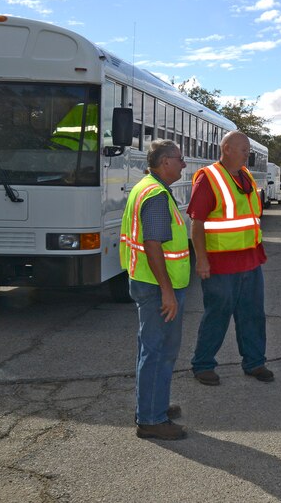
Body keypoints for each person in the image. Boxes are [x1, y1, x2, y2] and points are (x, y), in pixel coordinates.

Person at [187, 131, 273, 386]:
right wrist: (201, 259)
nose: (249, 154)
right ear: (226, 149)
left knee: (253, 314)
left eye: (248, 149)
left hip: (250, 260)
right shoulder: (208, 178)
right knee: (218, 313)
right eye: (244, 149)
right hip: (221, 263)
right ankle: (203, 365)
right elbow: (197, 223)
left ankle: (255, 362)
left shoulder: (244, 175)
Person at [120, 139, 190, 440]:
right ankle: (151, 419)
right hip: (157, 286)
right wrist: (167, 291)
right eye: (180, 159)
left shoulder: (147, 186)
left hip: (145, 280)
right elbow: (153, 244)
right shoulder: (157, 196)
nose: (184, 164)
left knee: (152, 348)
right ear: (165, 162)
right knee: (159, 351)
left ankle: (152, 405)